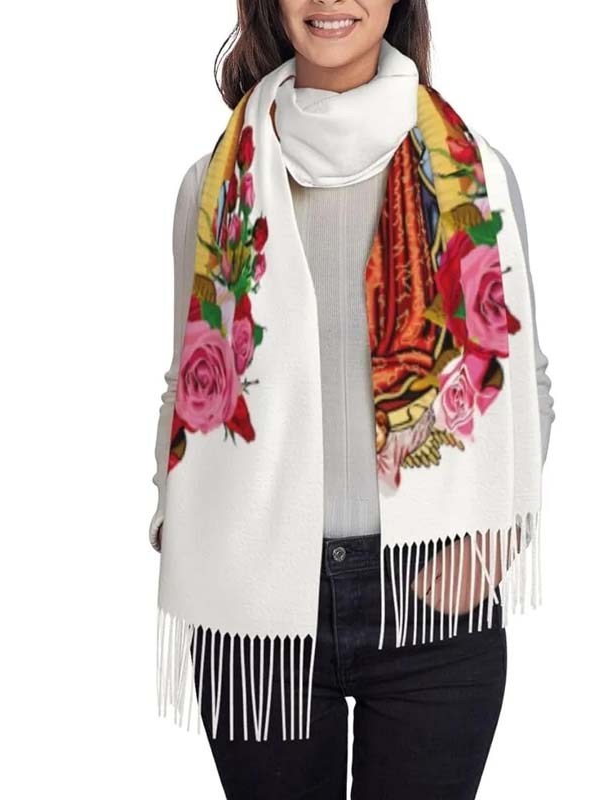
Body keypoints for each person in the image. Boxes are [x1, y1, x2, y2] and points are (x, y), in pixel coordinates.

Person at [150, 1, 555, 797]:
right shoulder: (215, 183)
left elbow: (523, 381)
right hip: (256, 600)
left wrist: (492, 544)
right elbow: (189, 381)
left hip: (428, 603)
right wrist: (179, 524)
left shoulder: (473, 173)